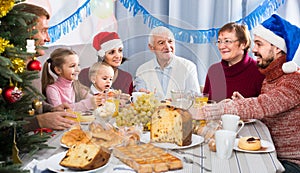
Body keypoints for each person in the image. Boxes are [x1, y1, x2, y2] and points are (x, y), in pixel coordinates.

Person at [196, 14, 300, 172]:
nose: (254, 49)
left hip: (289, 162)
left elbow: (262, 104)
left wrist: (213, 110)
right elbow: (268, 108)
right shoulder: (269, 78)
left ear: (277, 47)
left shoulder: (293, 80)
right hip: (268, 151)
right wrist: (243, 103)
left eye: (259, 44)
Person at [13, 3, 78, 131]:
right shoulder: (7, 72)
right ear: (25, 33)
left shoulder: (32, 65)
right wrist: (40, 121)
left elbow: (33, 105)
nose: (48, 38)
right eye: (43, 31)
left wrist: (51, 109)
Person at [203, 22, 265, 102]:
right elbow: (204, 104)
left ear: (243, 44)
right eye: (219, 41)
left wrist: (243, 105)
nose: (221, 46)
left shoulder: (260, 71)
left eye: (227, 41)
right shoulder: (214, 70)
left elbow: (267, 111)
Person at [134, 26, 200, 100]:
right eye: (161, 43)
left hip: (181, 111)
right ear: (151, 47)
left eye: (170, 41)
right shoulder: (142, 70)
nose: (168, 47)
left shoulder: (189, 67)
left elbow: (195, 99)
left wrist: (178, 101)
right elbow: (140, 99)